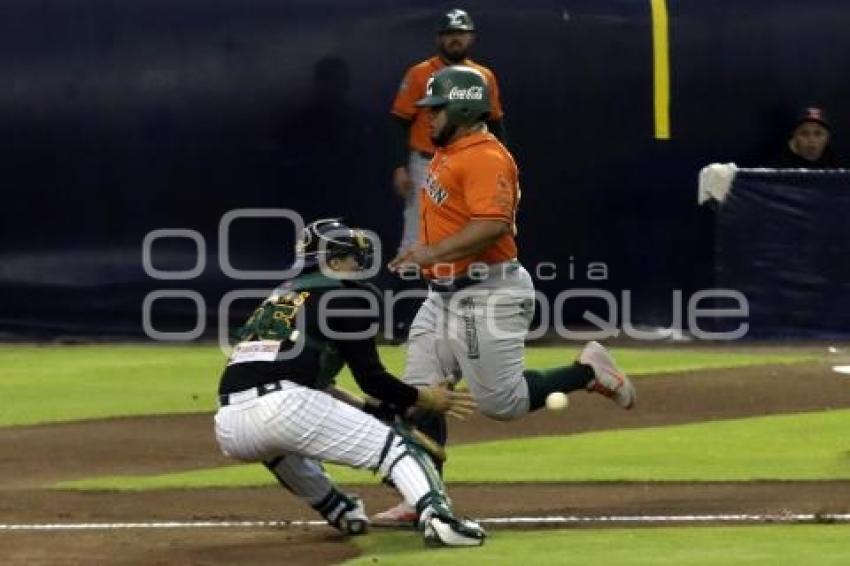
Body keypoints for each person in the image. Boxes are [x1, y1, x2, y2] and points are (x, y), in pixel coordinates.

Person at [372, 66, 637, 526]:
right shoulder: (450, 150)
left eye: (434, 110)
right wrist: (426, 254)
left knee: (502, 404)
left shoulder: (486, 156)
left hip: (487, 292)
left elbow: (492, 224)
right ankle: (423, 498)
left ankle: (585, 371)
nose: (427, 119)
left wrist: (430, 252)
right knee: (423, 396)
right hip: (444, 296)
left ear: (462, 108)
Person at [213, 218, 486, 547]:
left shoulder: (281, 298)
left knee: (279, 450)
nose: (358, 264)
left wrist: (373, 409)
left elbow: (316, 383)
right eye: (351, 257)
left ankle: (341, 511)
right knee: (400, 449)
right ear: (332, 261)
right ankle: (440, 520)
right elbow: (372, 378)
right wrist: (424, 398)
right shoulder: (345, 296)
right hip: (284, 407)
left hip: (230, 425)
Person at [771, 107, 838, 168]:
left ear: (827, 137)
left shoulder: (837, 165)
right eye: (804, 133)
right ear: (794, 136)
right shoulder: (778, 169)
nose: (811, 139)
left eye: (818, 134)